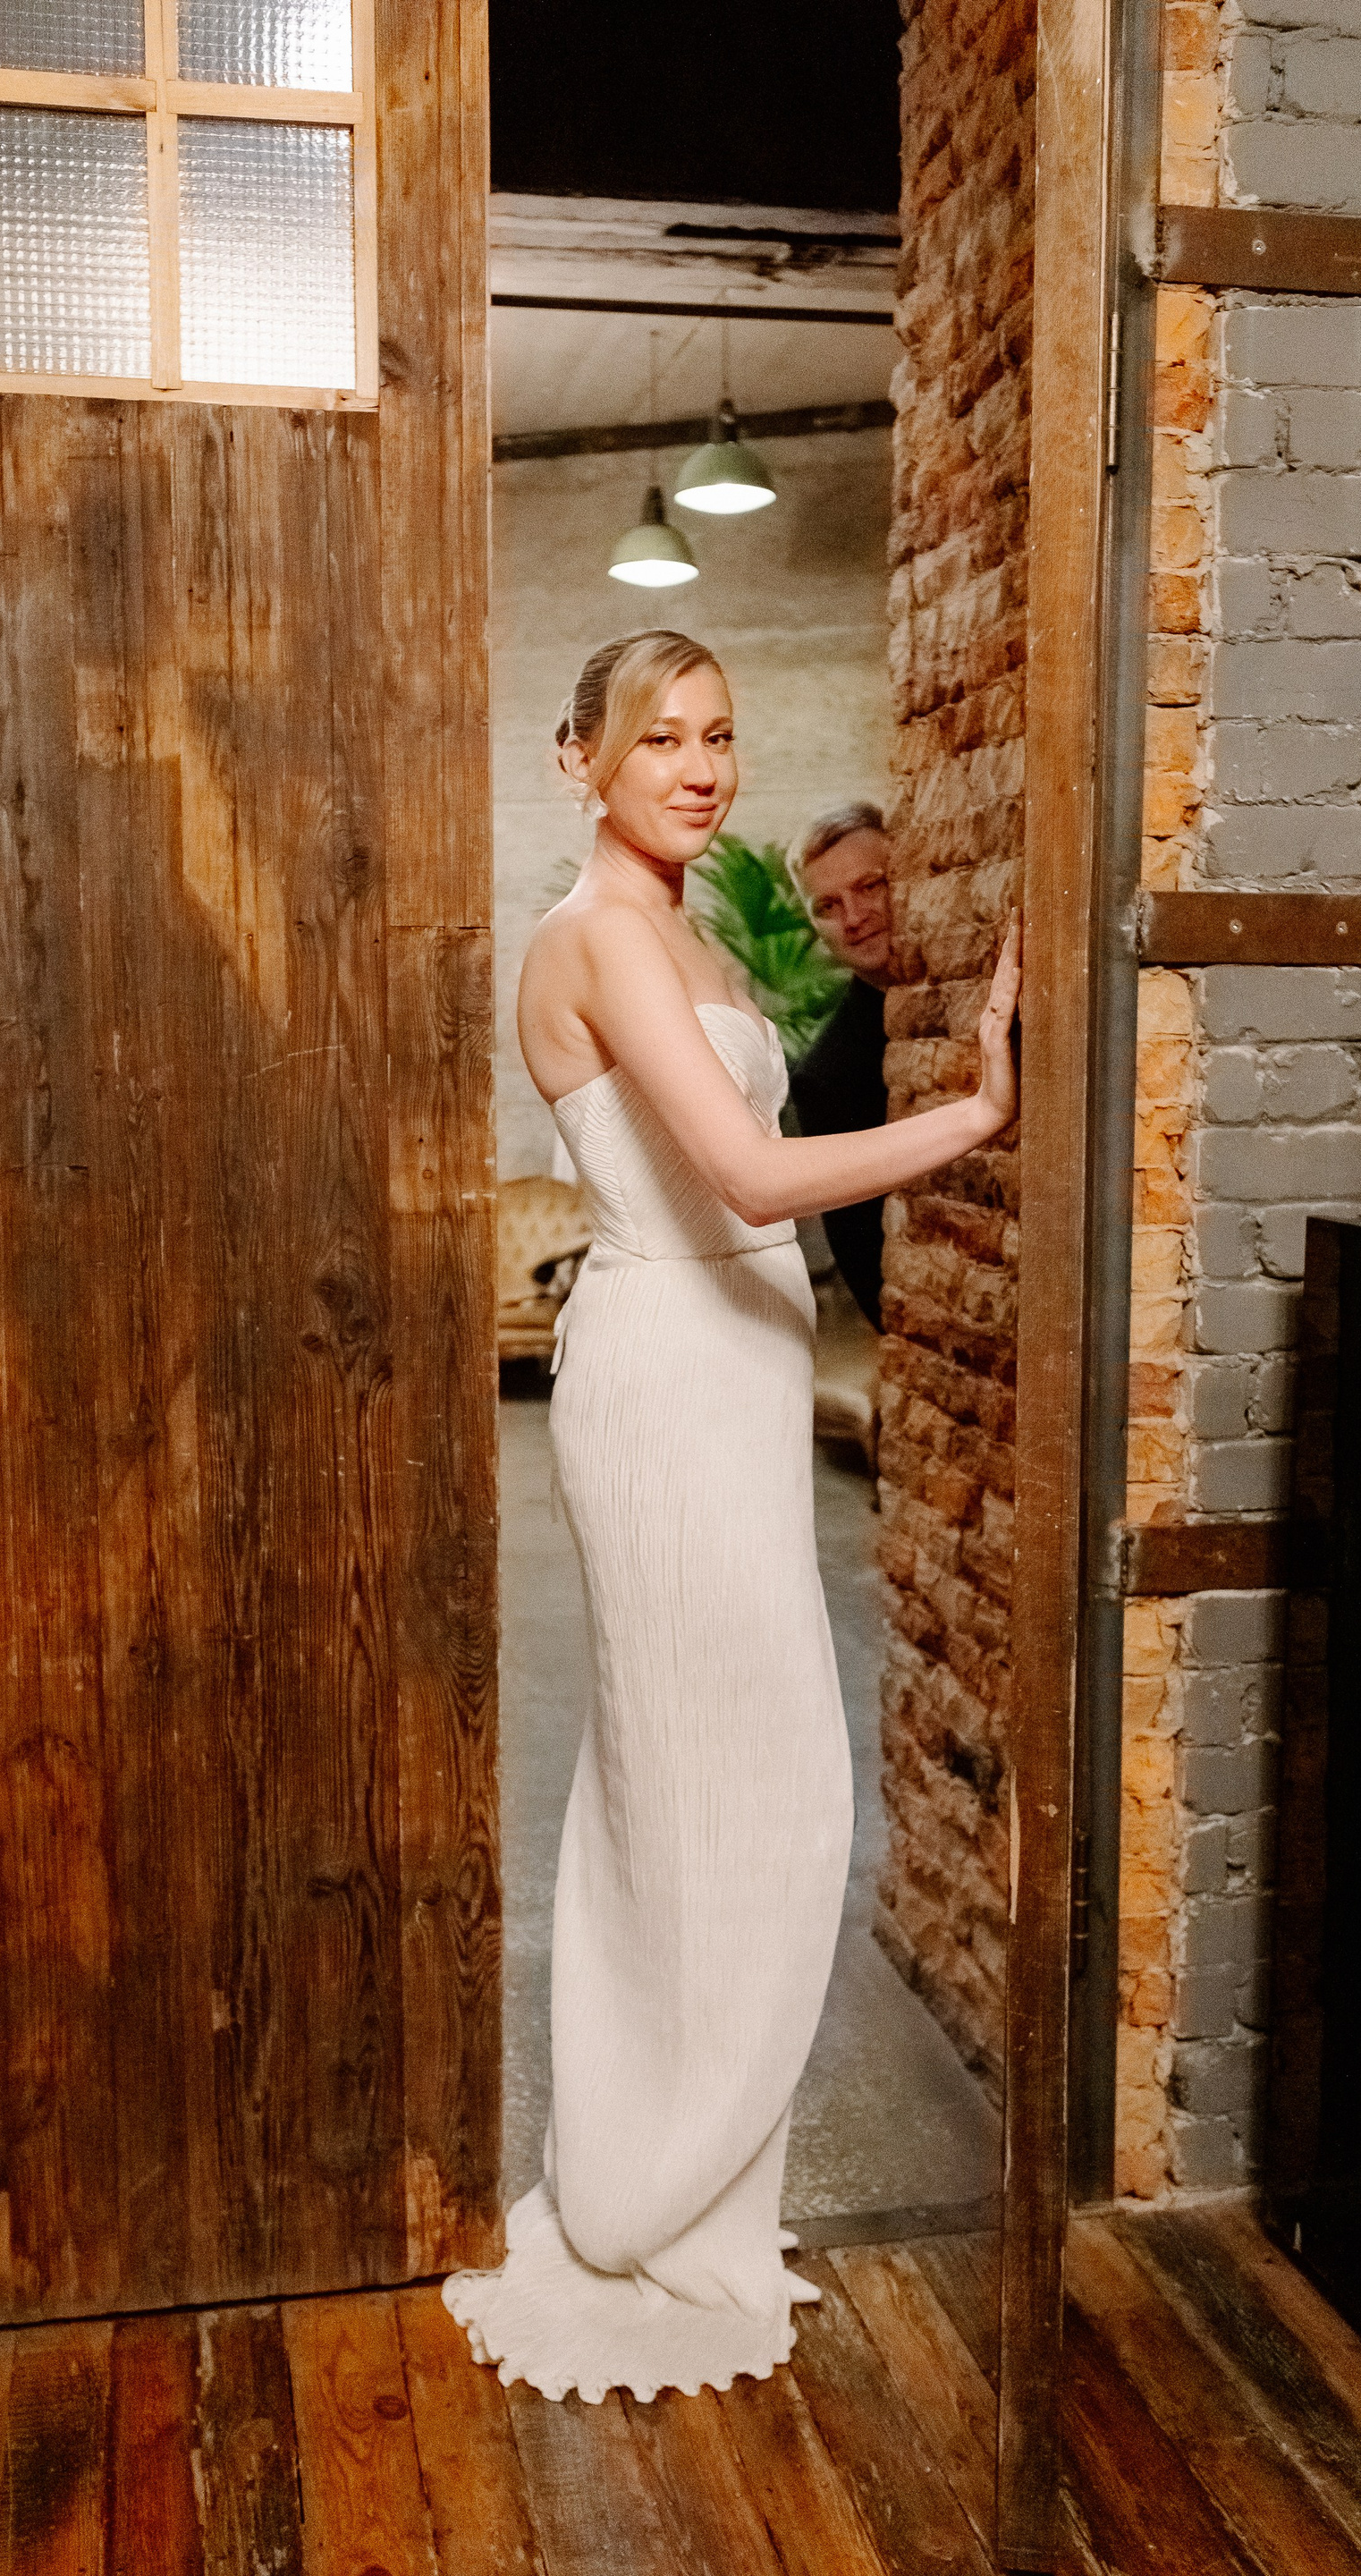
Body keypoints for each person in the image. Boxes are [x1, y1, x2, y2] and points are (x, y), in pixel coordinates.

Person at [444, 631, 1020, 2403]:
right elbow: (753, 1177)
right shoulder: (601, 937)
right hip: (671, 1387)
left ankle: (686, 2183)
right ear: (580, 761)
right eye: (658, 738)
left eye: (718, 734)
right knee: (711, 1798)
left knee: (720, 1793)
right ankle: (642, 2191)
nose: (699, 767)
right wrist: (981, 1110)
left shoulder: (687, 930)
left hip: (739, 1387)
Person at [788, 803, 895, 1330]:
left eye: (870, 886)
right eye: (827, 906)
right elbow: (872, 1279)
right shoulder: (827, 1076)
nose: (853, 919)